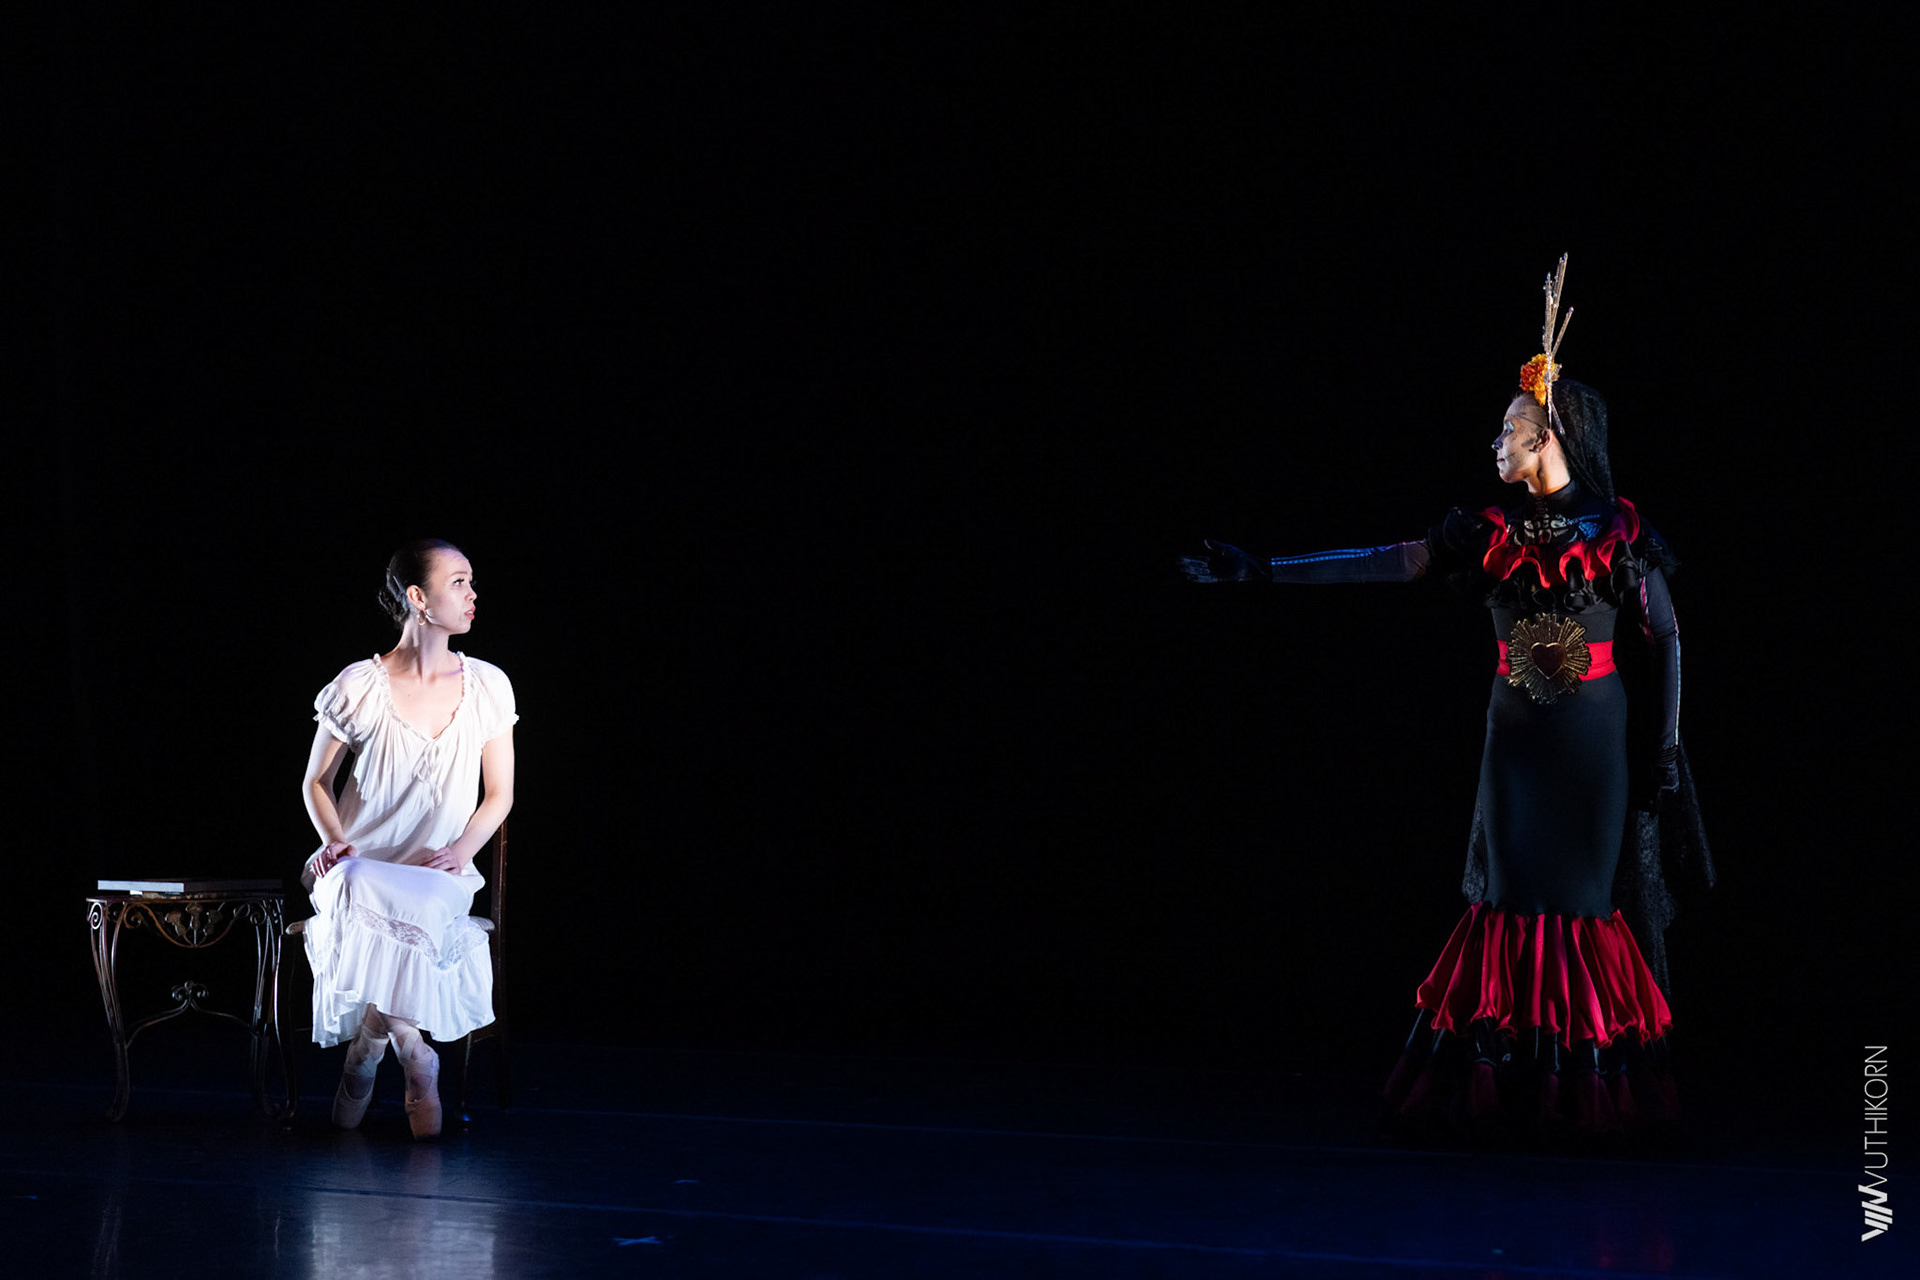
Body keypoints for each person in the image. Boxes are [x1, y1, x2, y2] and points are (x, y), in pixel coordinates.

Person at [1182, 259, 1711, 1140]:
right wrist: (1265, 569)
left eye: (1511, 429)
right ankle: (1513, 1088)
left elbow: (1669, 637)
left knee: (1581, 908)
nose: (1496, 442)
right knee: (1509, 902)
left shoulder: (1619, 532)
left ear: (1551, 436)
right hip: (1516, 751)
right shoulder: (1486, 532)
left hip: (1591, 750)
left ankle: (1579, 1092)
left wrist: (1665, 747)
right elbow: (1382, 563)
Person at [300, 539, 517, 1137]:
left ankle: (367, 1049)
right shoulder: (359, 686)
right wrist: (334, 839)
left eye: (471, 582)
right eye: (458, 582)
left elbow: (499, 794)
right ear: (418, 597)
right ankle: (415, 1051)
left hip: (434, 873)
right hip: (359, 869)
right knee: (355, 886)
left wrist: (460, 853)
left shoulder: (488, 685)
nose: (472, 595)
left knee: (419, 906)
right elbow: (315, 782)